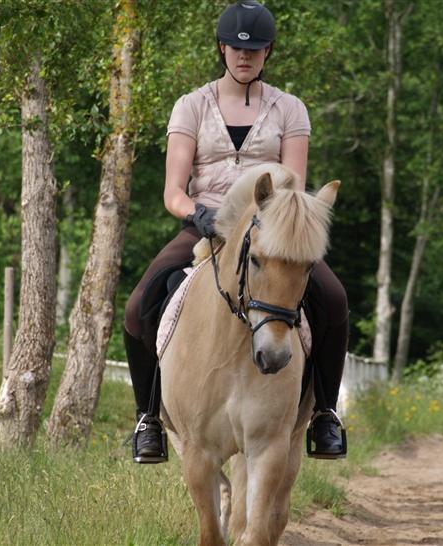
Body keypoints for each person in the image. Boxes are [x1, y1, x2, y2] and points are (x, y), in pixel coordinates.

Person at [123, 0, 349, 463]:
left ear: (268, 53)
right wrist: (198, 215)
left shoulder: (290, 109)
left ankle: (325, 412)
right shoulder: (191, 107)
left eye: (256, 49)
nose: (245, 57)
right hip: (207, 228)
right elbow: (172, 190)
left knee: (334, 298)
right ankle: (147, 416)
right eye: (236, 48)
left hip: (272, 232)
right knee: (137, 306)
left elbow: (295, 186)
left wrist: (272, 223)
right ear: (222, 49)